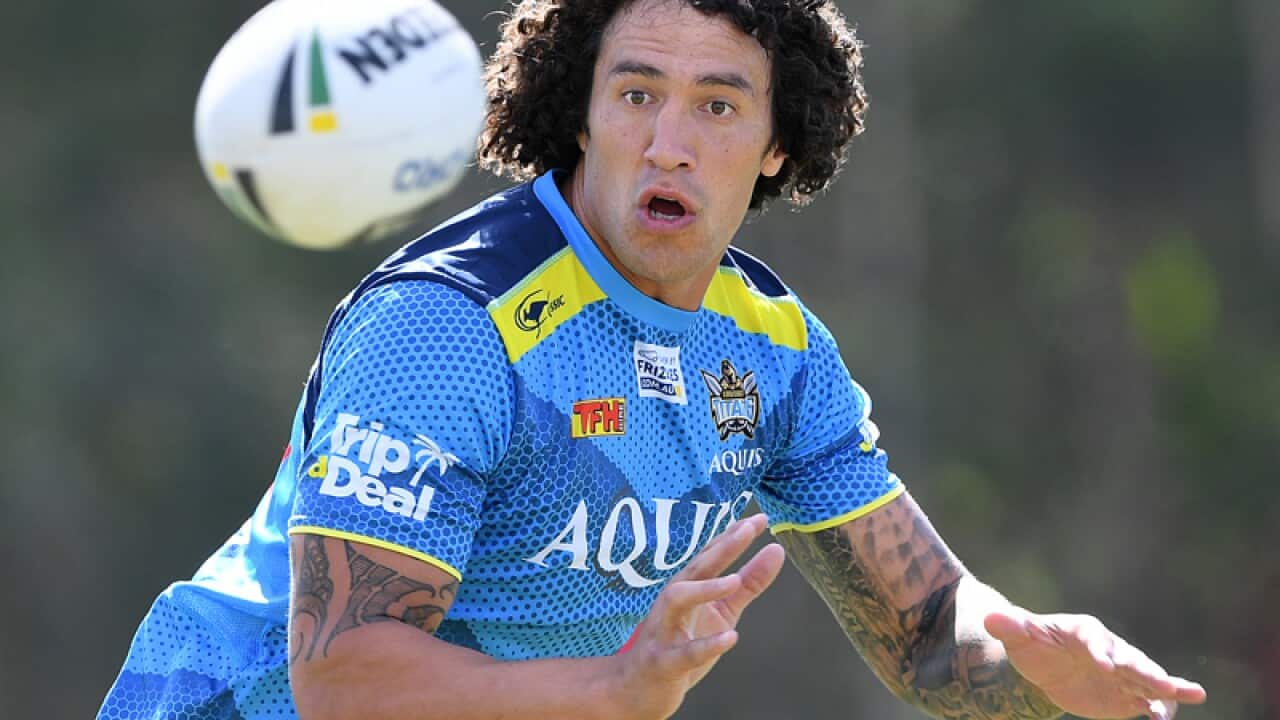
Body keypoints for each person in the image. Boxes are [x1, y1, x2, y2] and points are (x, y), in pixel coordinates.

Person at [99, 1, 1208, 719]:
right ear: (580, 114)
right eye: (635, 94)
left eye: (716, 105)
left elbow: (924, 636)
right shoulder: (449, 325)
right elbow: (344, 676)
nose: (666, 141)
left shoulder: (772, 352)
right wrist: (613, 689)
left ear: (778, 144)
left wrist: (1039, 672)